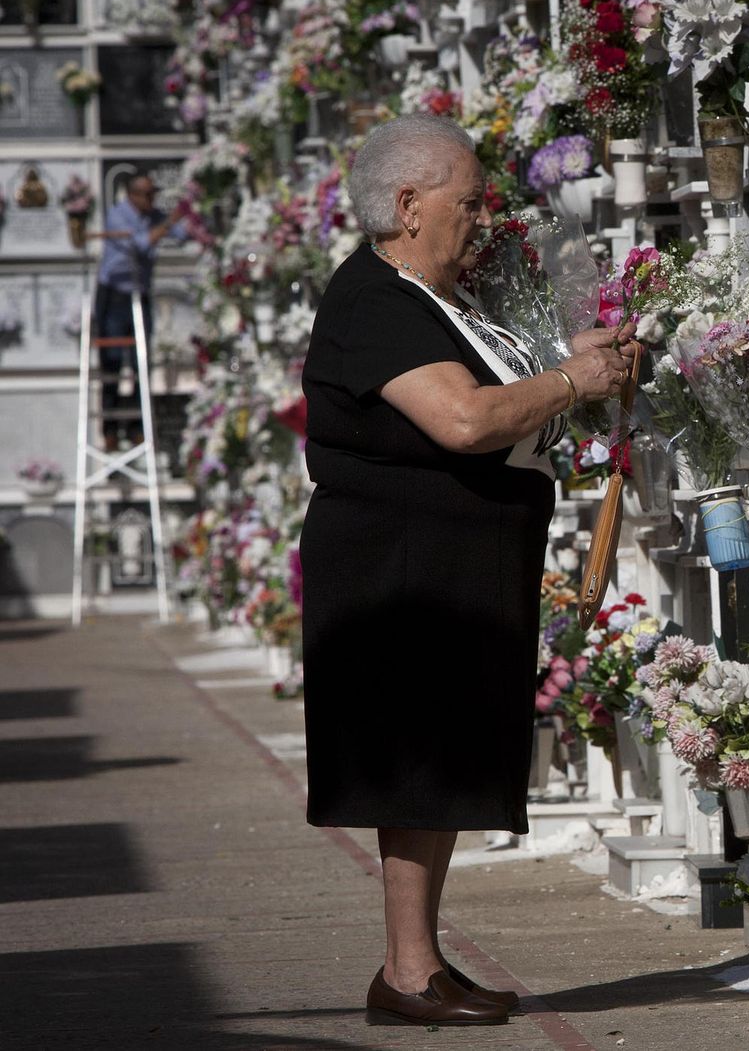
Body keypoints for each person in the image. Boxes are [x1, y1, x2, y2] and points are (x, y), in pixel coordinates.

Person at [297, 113, 635, 1028]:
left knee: (438, 764)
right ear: (408, 204)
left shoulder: (437, 300)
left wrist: (578, 366)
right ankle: (406, 973)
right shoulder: (373, 299)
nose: (482, 221)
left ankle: (419, 962)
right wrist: (574, 384)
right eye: (470, 202)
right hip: (397, 573)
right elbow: (463, 421)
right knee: (414, 760)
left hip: (446, 563)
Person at [87, 173, 190, 449]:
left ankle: (135, 428)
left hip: (139, 294)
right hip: (114, 295)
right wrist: (169, 222)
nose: (151, 200)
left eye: (153, 194)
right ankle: (109, 429)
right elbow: (141, 245)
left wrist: (187, 213)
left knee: (139, 362)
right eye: (146, 194)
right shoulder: (118, 216)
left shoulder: (154, 214)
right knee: (111, 362)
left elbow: (182, 236)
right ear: (132, 195)